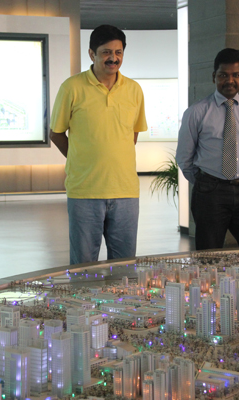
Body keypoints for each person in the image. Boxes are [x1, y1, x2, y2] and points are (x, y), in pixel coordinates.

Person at [50, 24, 148, 265]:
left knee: (124, 267)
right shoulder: (71, 87)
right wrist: (80, 159)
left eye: (118, 52)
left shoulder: (134, 90)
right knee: (83, 267)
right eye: (106, 52)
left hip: (125, 192)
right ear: (92, 54)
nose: (113, 58)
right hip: (85, 191)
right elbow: (56, 133)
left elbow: (133, 134)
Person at [176, 48, 239, 250]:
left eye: (236, 75)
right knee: (209, 257)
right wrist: (205, 183)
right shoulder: (197, 112)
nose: (230, 80)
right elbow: (184, 157)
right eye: (223, 75)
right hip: (210, 193)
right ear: (214, 77)